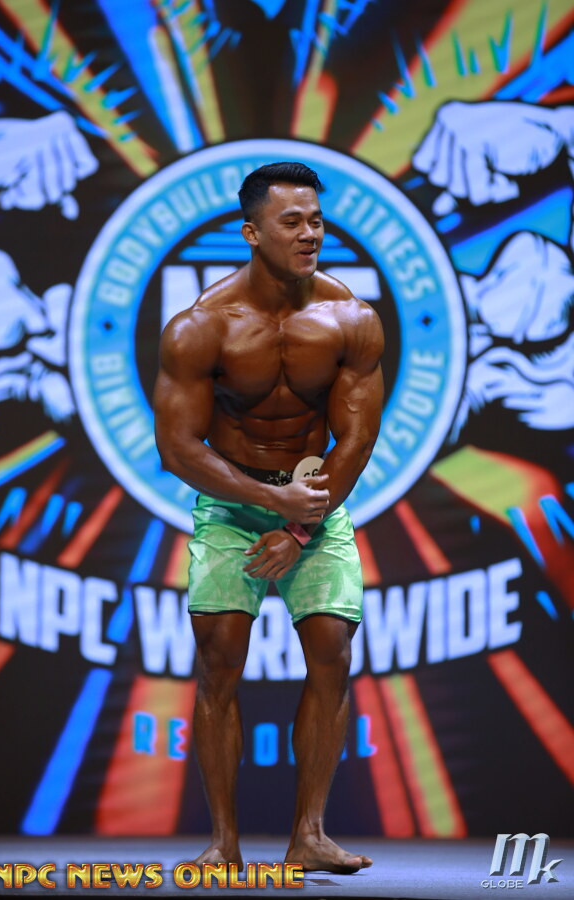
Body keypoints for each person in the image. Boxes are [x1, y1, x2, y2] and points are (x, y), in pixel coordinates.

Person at [153, 162, 384, 874]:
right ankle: (223, 843)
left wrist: (298, 526)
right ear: (252, 233)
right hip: (232, 504)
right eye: (292, 222)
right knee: (220, 656)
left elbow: (356, 440)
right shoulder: (200, 327)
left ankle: (308, 834)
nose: (310, 234)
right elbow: (177, 449)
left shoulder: (351, 319)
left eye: (317, 220)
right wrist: (269, 504)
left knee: (333, 652)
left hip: (314, 503)